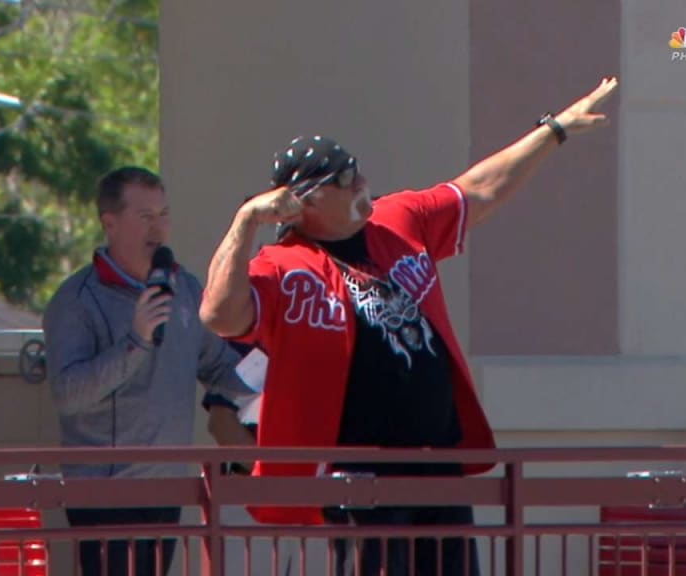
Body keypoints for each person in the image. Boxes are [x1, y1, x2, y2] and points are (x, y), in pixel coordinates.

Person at [200, 77, 619, 575]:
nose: (360, 181)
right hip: (360, 478)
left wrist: (554, 130)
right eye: (344, 177)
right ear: (305, 202)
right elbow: (220, 315)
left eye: (355, 169)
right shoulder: (282, 265)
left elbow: (479, 190)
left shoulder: (396, 220)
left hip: (437, 462)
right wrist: (246, 221)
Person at [43, 166, 255, 576]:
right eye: (144, 217)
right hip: (104, 496)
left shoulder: (186, 290)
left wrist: (272, 390)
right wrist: (135, 342)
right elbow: (68, 394)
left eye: (163, 214)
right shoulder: (76, 301)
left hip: (167, 488)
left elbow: (217, 364)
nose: (158, 228)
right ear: (110, 223)